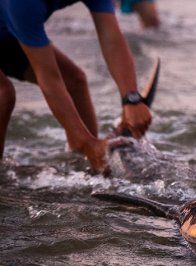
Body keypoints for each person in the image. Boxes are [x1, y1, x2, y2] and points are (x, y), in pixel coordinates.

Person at [0, 0, 152, 173]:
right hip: (16, 16)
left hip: (8, 31)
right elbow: (49, 78)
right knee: (4, 95)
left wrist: (131, 99)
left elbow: (112, 38)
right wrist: (86, 142)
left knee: (74, 81)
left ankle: (86, 165)